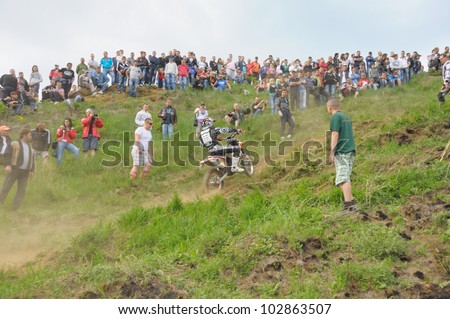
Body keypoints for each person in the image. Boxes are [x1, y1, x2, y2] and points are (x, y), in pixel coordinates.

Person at [327, 98, 358, 213]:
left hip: (342, 151)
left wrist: (332, 152)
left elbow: (335, 134)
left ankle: (349, 206)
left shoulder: (335, 117)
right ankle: (352, 202)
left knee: (342, 179)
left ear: (329, 108)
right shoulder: (346, 117)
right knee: (343, 178)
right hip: (350, 150)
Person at [0, 128, 34, 211]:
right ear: (24, 135)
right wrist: (8, 165)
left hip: (25, 172)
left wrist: (31, 170)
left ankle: (14, 208)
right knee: (6, 187)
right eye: (30, 135)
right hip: (14, 169)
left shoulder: (30, 147)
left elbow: (32, 160)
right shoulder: (15, 143)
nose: (31, 137)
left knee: (22, 190)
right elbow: (7, 154)